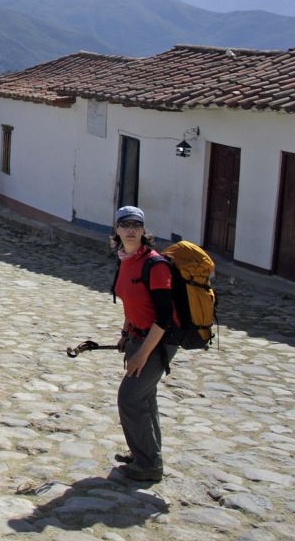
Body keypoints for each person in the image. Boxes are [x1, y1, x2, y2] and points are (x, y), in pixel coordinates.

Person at [110, 205, 178, 483]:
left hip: (158, 342)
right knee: (145, 399)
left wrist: (142, 355)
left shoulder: (155, 265)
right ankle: (146, 454)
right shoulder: (126, 259)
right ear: (116, 229)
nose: (130, 230)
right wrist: (126, 333)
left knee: (130, 397)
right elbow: (131, 301)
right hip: (137, 337)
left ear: (143, 230)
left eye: (136, 226)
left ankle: (149, 465)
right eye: (125, 225)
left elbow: (164, 318)